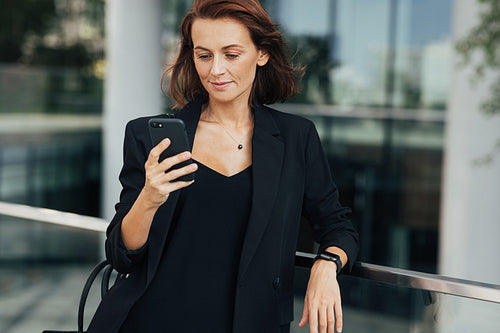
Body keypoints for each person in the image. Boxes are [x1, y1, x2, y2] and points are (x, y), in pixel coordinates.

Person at [88, 0, 358, 332]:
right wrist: (149, 198)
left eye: (231, 54)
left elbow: (338, 226)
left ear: (262, 54)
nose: (216, 70)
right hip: (152, 321)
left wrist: (326, 265)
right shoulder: (149, 136)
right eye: (204, 55)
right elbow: (121, 255)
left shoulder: (296, 138)